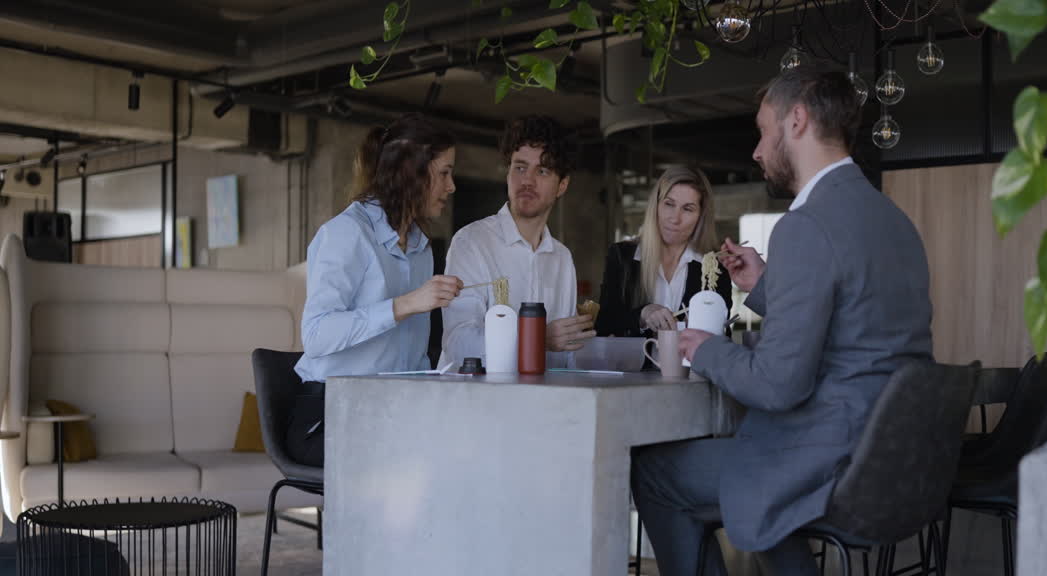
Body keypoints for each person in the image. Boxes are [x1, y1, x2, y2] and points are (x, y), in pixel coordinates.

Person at [632, 67, 934, 576]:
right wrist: (765, 282)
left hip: (832, 456)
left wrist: (704, 349)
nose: (757, 149)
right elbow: (854, 321)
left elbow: (776, 384)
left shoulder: (809, 223)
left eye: (763, 130)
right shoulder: (889, 217)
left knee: (657, 473)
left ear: (797, 121)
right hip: (889, 456)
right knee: (757, 474)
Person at [289, 114, 463, 467]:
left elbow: (412, 361)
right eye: (444, 173)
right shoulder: (346, 234)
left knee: (465, 449)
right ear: (413, 172)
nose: (451, 186)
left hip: (390, 413)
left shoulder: (421, 249)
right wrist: (405, 304)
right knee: (413, 463)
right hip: (326, 416)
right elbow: (316, 335)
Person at [442, 115, 594, 366]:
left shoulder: (561, 257)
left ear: (562, 186)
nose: (527, 181)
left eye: (542, 171)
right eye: (520, 167)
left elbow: (565, 354)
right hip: (477, 401)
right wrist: (538, 339)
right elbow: (460, 344)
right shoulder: (472, 242)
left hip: (540, 401)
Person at [595, 165, 732, 337]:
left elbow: (724, 334)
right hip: (633, 364)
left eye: (688, 209)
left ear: (701, 216)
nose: (675, 218)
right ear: (656, 206)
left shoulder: (714, 267)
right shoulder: (622, 256)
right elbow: (603, 324)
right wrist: (643, 314)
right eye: (669, 204)